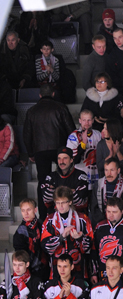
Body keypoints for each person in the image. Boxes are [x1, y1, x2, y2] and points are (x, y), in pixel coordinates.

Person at [23, 84, 75, 215]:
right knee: (63, 179)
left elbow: (26, 134)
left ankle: (43, 213)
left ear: (40, 95)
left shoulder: (31, 111)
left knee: (43, 182)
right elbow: (72, 130)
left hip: (40, 150)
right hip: (59, 149)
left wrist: (30, 153)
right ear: (53, 94)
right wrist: (70, 151)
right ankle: (64, 210)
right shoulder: (61, 107)